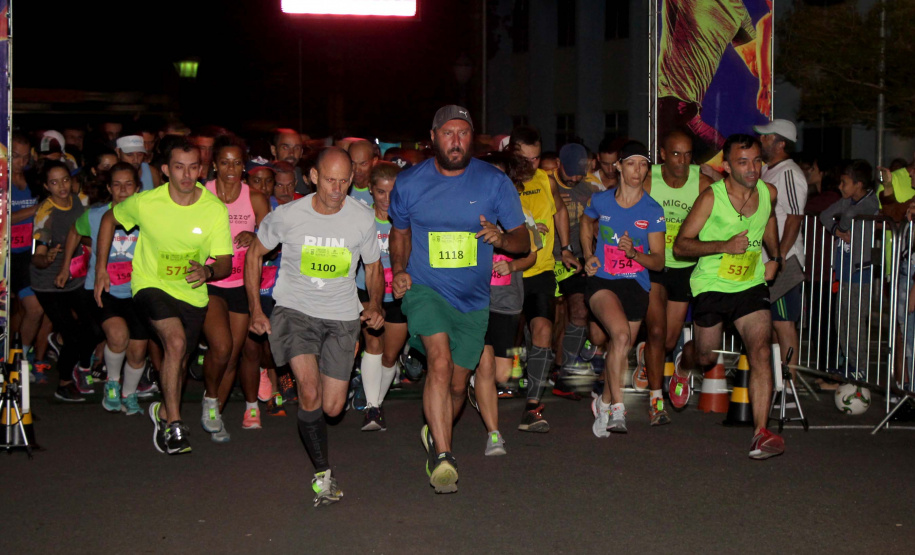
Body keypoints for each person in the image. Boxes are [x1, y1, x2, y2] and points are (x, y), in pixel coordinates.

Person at [389, 105, 528, 494]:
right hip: (426, 289)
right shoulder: (410, 182)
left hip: (473, 298)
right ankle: (444, 457)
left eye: (463, 133)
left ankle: (436, 432)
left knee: (456, 384)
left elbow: (522, 239)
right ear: (433, 137)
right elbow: (399, 232)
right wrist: (399, 269)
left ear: (473, 139)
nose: (456, 141)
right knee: (439, 360)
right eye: (448, 133)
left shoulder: (493, 183)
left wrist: (502, 239)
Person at [245, 147, 384, 507]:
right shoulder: (289, 216)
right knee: (309, 392)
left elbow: (372, 267)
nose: (337, 189)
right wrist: (256, 310)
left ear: (352, 180)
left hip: (341, 315)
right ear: (314, 178)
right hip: (296, 311)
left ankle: (318, 419)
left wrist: (374, 304)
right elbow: (255, 254)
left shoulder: (361, 218)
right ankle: (322, 474)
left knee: (334, 407)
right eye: (330, 181)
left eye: (344, 181)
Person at [94, 138, 233, 455]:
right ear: (167, 170)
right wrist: (100, 268)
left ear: (200, 170)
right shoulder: (146, 203)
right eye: (179, 167)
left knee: (180, 362)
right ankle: (175, 424)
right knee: (176, 343)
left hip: (192, 293)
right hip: (150, 284)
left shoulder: (213, 210)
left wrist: (209, 272)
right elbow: (108, 219)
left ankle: (161, 411)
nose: (186, 175)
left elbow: (225, 261)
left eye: (192, 167)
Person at [673, 133, 784, 460]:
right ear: (725, 166)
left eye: (757, 161)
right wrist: (723, 246)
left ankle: (760, 433)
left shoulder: (769, 192)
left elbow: (768, 221)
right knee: (706, 357)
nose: (752, 169)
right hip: (711, 284)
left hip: (750, 284)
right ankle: (683, 363)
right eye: (743, 162)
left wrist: (774, 258)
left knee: (761, 350)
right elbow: (681, 246)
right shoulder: (711, 198)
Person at [580, 141, 666, 435]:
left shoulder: (653, 210)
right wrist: (588, 255)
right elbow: (584, 221)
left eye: (643, 165)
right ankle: (618, 408)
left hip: (635, 284)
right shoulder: (601, 201)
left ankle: (602, 402)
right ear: (619, 166)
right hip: (602, 281)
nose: (637, 170)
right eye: (631, 163)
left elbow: (658, 262)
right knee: (618, 335)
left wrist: (635, 255)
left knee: (621, 347)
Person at [58, 163, 147, 414]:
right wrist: (65, 267)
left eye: (128, 184)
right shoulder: (96, 215)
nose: (123, 190)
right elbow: (75, 231)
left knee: (138, 351)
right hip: (103, 288)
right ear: (109, 188)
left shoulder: (149, 216)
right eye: (117, 184)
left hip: (138, 290)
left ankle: (129, 395)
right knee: (118, 336)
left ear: (138, 188)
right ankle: (111, 384)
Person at [508, 127, 581, 432]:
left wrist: (565, 248)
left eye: (537, 157)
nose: (533, 164)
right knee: (505, 339)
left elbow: (561, 211)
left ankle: (533, 405)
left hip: (541, 270)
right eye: (526, 158)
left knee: (543, 328)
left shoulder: (545, 180)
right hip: (508, 272)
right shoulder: (502, 183)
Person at [201, 135, 271, 440]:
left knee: (232, 355)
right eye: (225, 162)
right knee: (221, 346)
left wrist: (254, 238)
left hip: (243, 284)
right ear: (214, 164)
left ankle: (214, 408)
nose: (231, 168)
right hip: (209, 281)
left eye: (237, 162)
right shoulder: (201, 194)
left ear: (244, 167)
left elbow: (272, 239)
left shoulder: (254, 198)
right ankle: (209, 399)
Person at [643, 130, 713, 415]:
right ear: (662, 154)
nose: (682, 161)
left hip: (686, 267)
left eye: (687, 155)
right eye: (675, 154)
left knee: (671, 341)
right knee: (657, 333)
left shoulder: (703, 183)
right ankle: (655, 400)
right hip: (656, 264)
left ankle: (681, 370)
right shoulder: (649, 180)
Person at [473, 151, 538, 455]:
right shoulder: (468, 211)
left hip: (507, 300)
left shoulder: (522, 215)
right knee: (485, 366)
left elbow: (532, 255)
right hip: (475, 298)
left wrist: (511, 266)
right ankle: (494, 433)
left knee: (500, 374)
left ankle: (478, 390)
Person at [30, 161, 96, 401]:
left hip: (75, 276)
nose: (62, 187)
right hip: (49, 282)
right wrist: (45, 259)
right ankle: (64, 382)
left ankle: (57, 341)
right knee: (73, 334)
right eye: (55, 182)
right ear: (47, 186)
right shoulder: (45, 213)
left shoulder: (78, 200)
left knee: (94, 327)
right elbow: (37, 254)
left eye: (65, 180)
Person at [354, 162, 410, 431]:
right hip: (367, 289)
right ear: (370, 191)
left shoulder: (409, 220)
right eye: (380, 192)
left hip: (399, 294)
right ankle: (373, 409)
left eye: (393, 192)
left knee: (390, 356)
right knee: (373, 347)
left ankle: (375, 398)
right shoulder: (361, 218)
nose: (387, 199)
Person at [755, 119, 808, 381]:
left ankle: (789, 386)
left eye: (767, 137)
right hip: (769, 261)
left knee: (784, 324)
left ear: (781, 143)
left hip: (784, 261)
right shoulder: (769, 170)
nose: (762, 140)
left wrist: (781, 255)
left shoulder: (789, 173)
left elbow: (795, 217)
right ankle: (778, 381)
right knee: (773, 325)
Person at [819, 160, 879, 379]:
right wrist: (837, 231)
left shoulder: (869, 203)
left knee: (855, 324)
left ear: (859, 184)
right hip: (843, 272)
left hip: (858, 274)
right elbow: (825, 216)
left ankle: (859, 368)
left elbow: (848, 218)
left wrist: (842, 225)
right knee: (841, 321)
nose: (840, 187)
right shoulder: (848, 201)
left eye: (844, 183)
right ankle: (850, 364)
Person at [8, 133, 46, 379]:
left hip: (28, 253)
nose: (20, 162)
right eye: (14, 156)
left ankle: (20, 356)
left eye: (24, 157)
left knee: (33, 308)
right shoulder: (3, 181)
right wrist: (32, 210)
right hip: (5, 254)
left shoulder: (34, 178)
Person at [270, 128, 308, 194]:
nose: (291, 153)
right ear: (274, 150)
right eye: (285, 147)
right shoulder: (264, 178)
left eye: (297, 148)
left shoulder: (305, 179)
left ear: (301, 152)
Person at [348, 140, 377, 207]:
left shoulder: (380, 193)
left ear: (374, 161)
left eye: (363, 164)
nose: (357, 170)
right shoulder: (342, 187)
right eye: (352, 163)